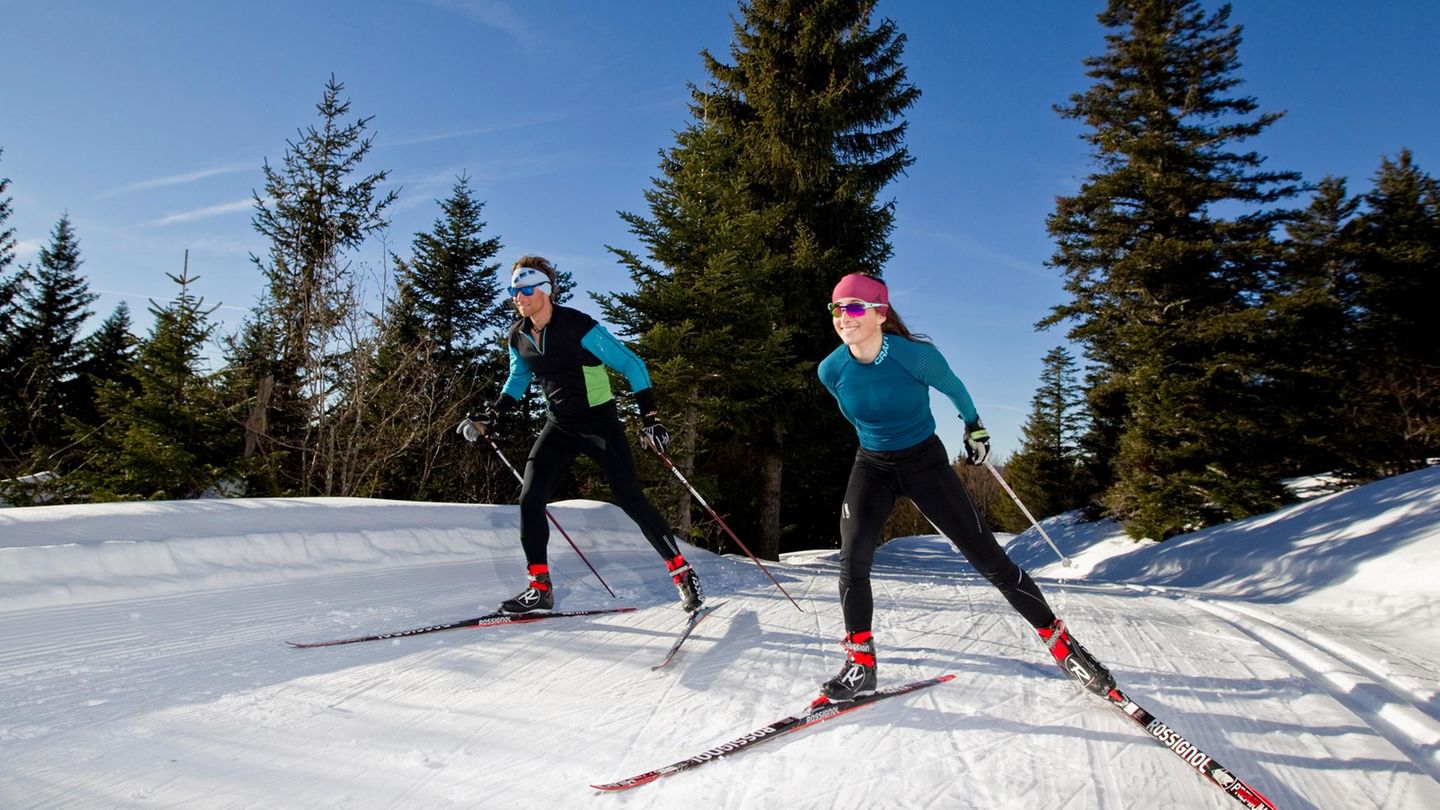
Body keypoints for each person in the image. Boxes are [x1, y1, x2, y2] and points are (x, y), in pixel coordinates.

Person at [814, 272, 1113, 702]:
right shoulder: (831, 370)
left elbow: (955, 390)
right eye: (838, 309)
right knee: (853, 558)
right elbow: (858, 419)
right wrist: (879, 448)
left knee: (989, 559)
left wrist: (974, 428)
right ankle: (861, 664)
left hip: (924, 462)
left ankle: (1064, 646)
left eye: (855, 307)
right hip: (873, 465)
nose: (845, 317)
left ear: (880, 313)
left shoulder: (915, 358)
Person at [456, 255, 703, 615]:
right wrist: (491, 415)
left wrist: (650, 417)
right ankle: (539, 587)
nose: (518, 296)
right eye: (513, 290)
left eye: (525, 289)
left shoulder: (578, 326)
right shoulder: (518, 335)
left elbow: (632, 364)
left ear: (544, 290)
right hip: (560, 425)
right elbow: (518, 378)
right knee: (531, 497)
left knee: (631, 499)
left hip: (600, 424)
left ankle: (681, 572)